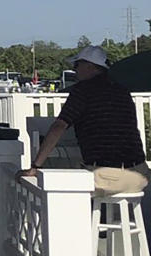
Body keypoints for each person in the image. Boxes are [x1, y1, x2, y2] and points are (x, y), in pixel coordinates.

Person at [19, 45, 150, 195]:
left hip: (108, 177)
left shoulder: (82, 91)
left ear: (90, 67)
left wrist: (35, 166)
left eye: (77, 65)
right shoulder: (122, 91)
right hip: (140, 175)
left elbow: (59, 127)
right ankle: (111, 216)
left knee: (57, 187)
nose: (75, 70)